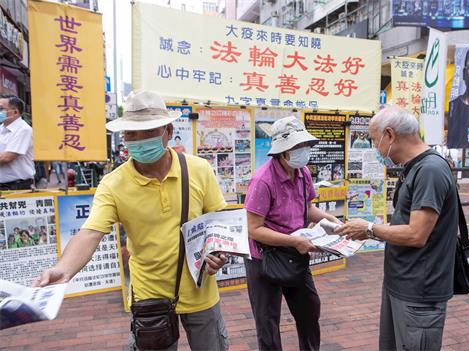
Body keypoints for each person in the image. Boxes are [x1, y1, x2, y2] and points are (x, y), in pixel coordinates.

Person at [32, 91, 230, 351]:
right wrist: (64, 269)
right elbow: (90, 232)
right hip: (149, 297)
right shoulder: (113, 184)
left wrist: (217, 252)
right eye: (130, 133)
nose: (136, 141)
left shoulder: (198, 169)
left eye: (146, 132)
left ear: (168, 131)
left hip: (200, 290)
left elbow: (217, 220)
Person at [337, 106, 458, 351]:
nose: (374, 147)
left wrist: (370, 229)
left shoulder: (430, 171)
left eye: (374, 139)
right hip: (402, 283)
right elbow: (406, 224)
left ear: (390, 135)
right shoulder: (414, 167)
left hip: (419, 292)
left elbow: (416, 234)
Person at [244, 116, 343, 351]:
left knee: (309, 310)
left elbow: (307, 208)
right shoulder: (262, 180)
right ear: (282, 151)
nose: (302, 151)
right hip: (264, 257)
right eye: (296, 147)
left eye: (304, 145)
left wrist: (332, 221)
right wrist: (294, 241)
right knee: (267, 323)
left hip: (295, 252)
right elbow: (253, 229)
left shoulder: (303, 173)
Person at [0, 95, 35, 190]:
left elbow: (7, 157)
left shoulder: (24, 130)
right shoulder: (1, 128)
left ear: (15, 112)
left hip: (18, 186)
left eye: (1, 108)